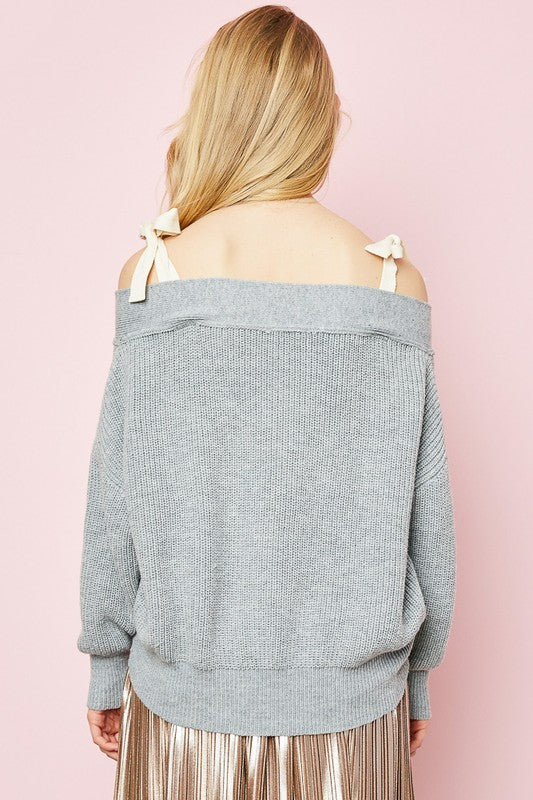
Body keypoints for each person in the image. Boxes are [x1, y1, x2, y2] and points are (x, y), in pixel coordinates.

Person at [76, 6, 456, 799]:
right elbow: (426, 517)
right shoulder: (392, 284)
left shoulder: (153, 278)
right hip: (354, 720)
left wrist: (108, 664)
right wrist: (416, 682)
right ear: (321, 118)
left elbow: (116, 500)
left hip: (183, 717)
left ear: (216, 110)